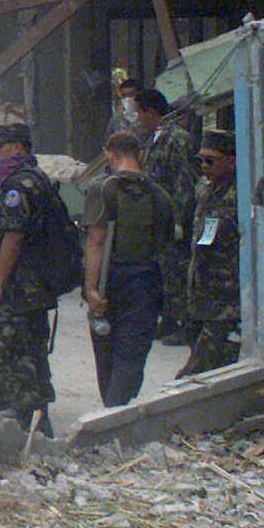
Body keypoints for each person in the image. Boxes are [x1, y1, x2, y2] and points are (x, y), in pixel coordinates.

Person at [0, 123, 59, 434]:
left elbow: (13, 236)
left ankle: (23, 427)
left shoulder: (17, 188)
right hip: (34, 287)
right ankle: (37, 423)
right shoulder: (37, 180)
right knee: (33, 353)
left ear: (20, 147)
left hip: (17, 290)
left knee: (13, 356)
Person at [81, 131, 174, 406]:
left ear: (109, 154)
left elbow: (96, 242)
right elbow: (166, 244)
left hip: (110, 280)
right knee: (131, 354)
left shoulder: (102, 189)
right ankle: (117, 409)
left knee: (105, 348)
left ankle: (111, 411)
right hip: (146, 281)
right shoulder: (161, 195)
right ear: (140, 155)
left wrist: (91, 290)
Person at [133, 89, 199, 342]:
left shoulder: (177, 139)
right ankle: (169, 317)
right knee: (163, 271)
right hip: (158, 217)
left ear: (151, 112)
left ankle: (185, 322)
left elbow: (185, 181)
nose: (138, 118)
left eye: (139, 112)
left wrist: (180, 220)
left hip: (173, 217)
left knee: (178, 270)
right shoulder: (153, 139)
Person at [179, 130, 241, 376]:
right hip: (199, 292)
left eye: (210, 160)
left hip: (226, 298)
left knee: (196, 371)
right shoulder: (204, 189)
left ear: (231, 161)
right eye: (201, 160)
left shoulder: (241, 194)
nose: (204, 166)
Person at [103, 75, 143, 148]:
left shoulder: (146, 118)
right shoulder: (117, 120)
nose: (127, 99)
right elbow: (107, 144)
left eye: (131, 95)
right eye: (124, 96)